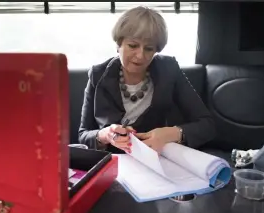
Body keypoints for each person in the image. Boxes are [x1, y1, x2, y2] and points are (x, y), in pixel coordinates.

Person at [78, 6, 216, 154]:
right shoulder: (97, 75)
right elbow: (83, 135)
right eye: (133, 45)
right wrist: (104, 135)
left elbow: (207, 125)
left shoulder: (169, 69)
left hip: (155, 160)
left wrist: (173, 133)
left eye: (149, 48)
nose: (140, 56)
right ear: (119, 44)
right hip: (112, 161)